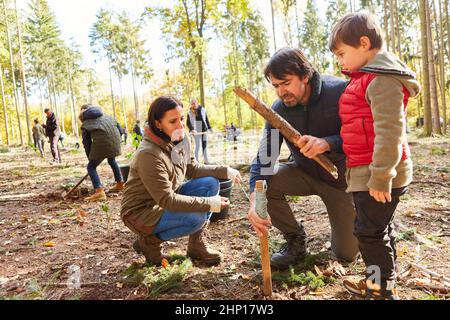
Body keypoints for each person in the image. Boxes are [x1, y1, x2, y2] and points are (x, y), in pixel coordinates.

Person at [329, 11, 420, 299]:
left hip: (379, 174)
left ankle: (381, 290)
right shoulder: (366, 77)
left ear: (364, 43)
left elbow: (390, 131)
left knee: (369, 233)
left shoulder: (382, 80)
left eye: (343, 53)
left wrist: (381, 177)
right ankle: (377, 282)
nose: (340, 61)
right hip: (367, 171)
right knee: (378, 229)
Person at [247, 48, 359, 271]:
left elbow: (361, 136)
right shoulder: (278, 110)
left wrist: (327, 143)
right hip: (304, 174)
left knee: (347, 254)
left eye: (286, 83)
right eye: (276, 86)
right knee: (266, 183)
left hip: (341, 182)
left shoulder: (340, 92)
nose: (280, 92)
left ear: (305, 76)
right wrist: (254, 198)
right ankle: (295, 240)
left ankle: (359, 226)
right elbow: (265, 158)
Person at [121, 96, 242, 266]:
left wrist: (225, 170)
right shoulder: (148, 154)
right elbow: (166, 200)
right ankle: (148, 243)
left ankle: (196, 245)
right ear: (158, 124)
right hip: (141, 212)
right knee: (195, 219)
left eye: (182, 119)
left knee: (211, 183)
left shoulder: (180, 138)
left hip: (164, 198)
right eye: (173, 121)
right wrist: (209, 203)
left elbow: (192, 169)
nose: (180, 125)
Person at [79, 104, 125, 202]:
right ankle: (120, 183)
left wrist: (90, 157)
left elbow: (86, 143)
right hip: (115, 141)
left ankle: (99, 191)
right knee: (112, 160)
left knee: (91, 167)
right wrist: (115, 141)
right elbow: (120, 131)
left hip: (102, 144)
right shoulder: (108, 117)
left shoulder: (86, 123)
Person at [187, 98, 212, 164]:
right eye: (192, 104)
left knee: (204, 146)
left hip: (204, 129)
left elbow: (206, 119)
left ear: (197, 103)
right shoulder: (189, 112)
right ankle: (196, 161)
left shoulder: (202, 109)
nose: (193, 105)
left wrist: (209, 128)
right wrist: (192, 129)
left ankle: (206, 161)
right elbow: (188, 123)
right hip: (196, 130)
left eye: (194, 103)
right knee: (197, 146)